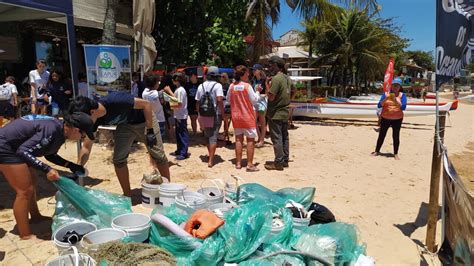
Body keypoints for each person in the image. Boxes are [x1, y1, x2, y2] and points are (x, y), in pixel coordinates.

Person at [0, 112, 94, 239]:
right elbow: (23, 151)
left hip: (17, 147)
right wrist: (47, 169)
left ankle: (35, 217)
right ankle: (25, 234)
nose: (81, 138)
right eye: (82, 135)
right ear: (76, 130)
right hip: (5, 147)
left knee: (31, 183)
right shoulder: (52, 130)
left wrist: (70, 165)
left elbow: (49, 154)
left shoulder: (60, 129)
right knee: (24, 191)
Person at [69, 91, 170, 197]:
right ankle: (127, 195)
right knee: (119, 160)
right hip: (125, 125)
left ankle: (168, 192)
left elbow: (146, 104)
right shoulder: (93, 120)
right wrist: (78, 167)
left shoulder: (116, 100)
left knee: (158, 155)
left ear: (92, 112)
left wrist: (150, 131)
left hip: (145, 120)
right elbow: (86, 147)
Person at [227, 65, 259, 171]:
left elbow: (228, 99)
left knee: (238, 139)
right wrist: (258, 91)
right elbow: (254, 100)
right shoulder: (247, 86)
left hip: (236, 116)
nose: (248, 74)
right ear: (243, 74)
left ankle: (238, 163)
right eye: (247, 73)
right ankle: (249, 164)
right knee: (250, 140)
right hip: (247, 116)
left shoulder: (231, 86)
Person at [264, 56, 291, 171]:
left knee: (277, 138)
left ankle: (278, 162)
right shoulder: (287, 78)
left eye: (271, 65)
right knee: (285, 137)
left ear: (276, 66)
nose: (269, 68)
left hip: (275, 113)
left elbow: (271, 97)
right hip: (285, 111)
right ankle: (285, 160)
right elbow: (293, 91)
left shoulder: (276, 79)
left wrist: (267, 85)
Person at [195, 66, 225, 168]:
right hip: (214, 113)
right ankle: (211, 160)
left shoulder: (201, 86)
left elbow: (198, 101)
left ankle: (210, 155)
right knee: (213, 136)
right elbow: (220, 100)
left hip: (203, 114)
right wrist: (223, 113)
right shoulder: (218, 86)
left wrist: (199, 113)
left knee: (207, 135)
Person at [371, 77, 407, 160]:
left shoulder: (402, 95)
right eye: (394, 85)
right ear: (391, 86)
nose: (395, 87)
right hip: (385, 118)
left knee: (396, 136)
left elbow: (403, 107)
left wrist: (395, 100)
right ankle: (377, 151)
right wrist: (386, 98)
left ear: (400, 87)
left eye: (397, 86)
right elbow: (379, 105)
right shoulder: (386, 94)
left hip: (397, 119)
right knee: (382, 135)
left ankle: (395, 154)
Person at [169, 72, 189, 160]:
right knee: (178, 134)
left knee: (182, 134)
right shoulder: (179, 89)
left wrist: (171, 104)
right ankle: (179, 150)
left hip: (181, 115)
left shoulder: (180, 90)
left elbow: (179, 103)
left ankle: (183, 152)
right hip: (178, 115)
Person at [142, 75, 167, 140]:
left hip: (149, 119)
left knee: (151, 139)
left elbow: (148, 88)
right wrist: (168, 90)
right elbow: (175, 101)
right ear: (155, 84)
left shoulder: (144, 93)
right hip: (159, 120)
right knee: (160, 140)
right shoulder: (159, 94)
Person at [251, 64, 268, 147]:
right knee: (253, 121)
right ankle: (259, 137)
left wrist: (263, 95)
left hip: (262, 102)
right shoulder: (253, 80)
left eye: (255, 70)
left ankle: (262, 140)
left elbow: (268, 92)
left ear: (260, 71)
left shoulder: (264, 80)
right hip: (255, 101)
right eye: (253, 70)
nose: (253, 71)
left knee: (262, 122)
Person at [220, 72, 232, 144]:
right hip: (222, 104)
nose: (220, 78)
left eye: (222, 77)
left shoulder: (228, 86)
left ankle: (226, 135)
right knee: (225, 120)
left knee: (226, 120)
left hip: (227, 104)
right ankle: (225, 134)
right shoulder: (220, 85)